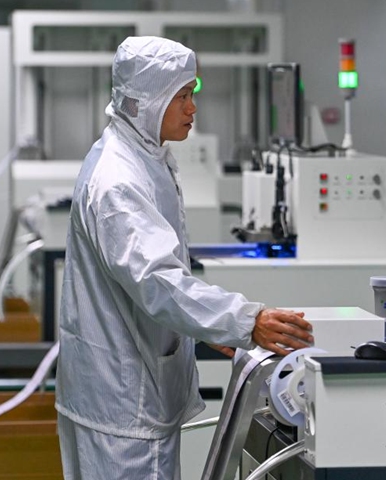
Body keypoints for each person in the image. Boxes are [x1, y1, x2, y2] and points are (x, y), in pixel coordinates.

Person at [55, 36, 314, 479]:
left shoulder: (143, 154)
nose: (192, 108)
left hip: (120, 391)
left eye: (192, 94)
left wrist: (205, 326)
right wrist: (246, 320)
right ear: (147, 102)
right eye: (182, 96)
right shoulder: (120, 181)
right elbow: (158, 282)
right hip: (124, 406)